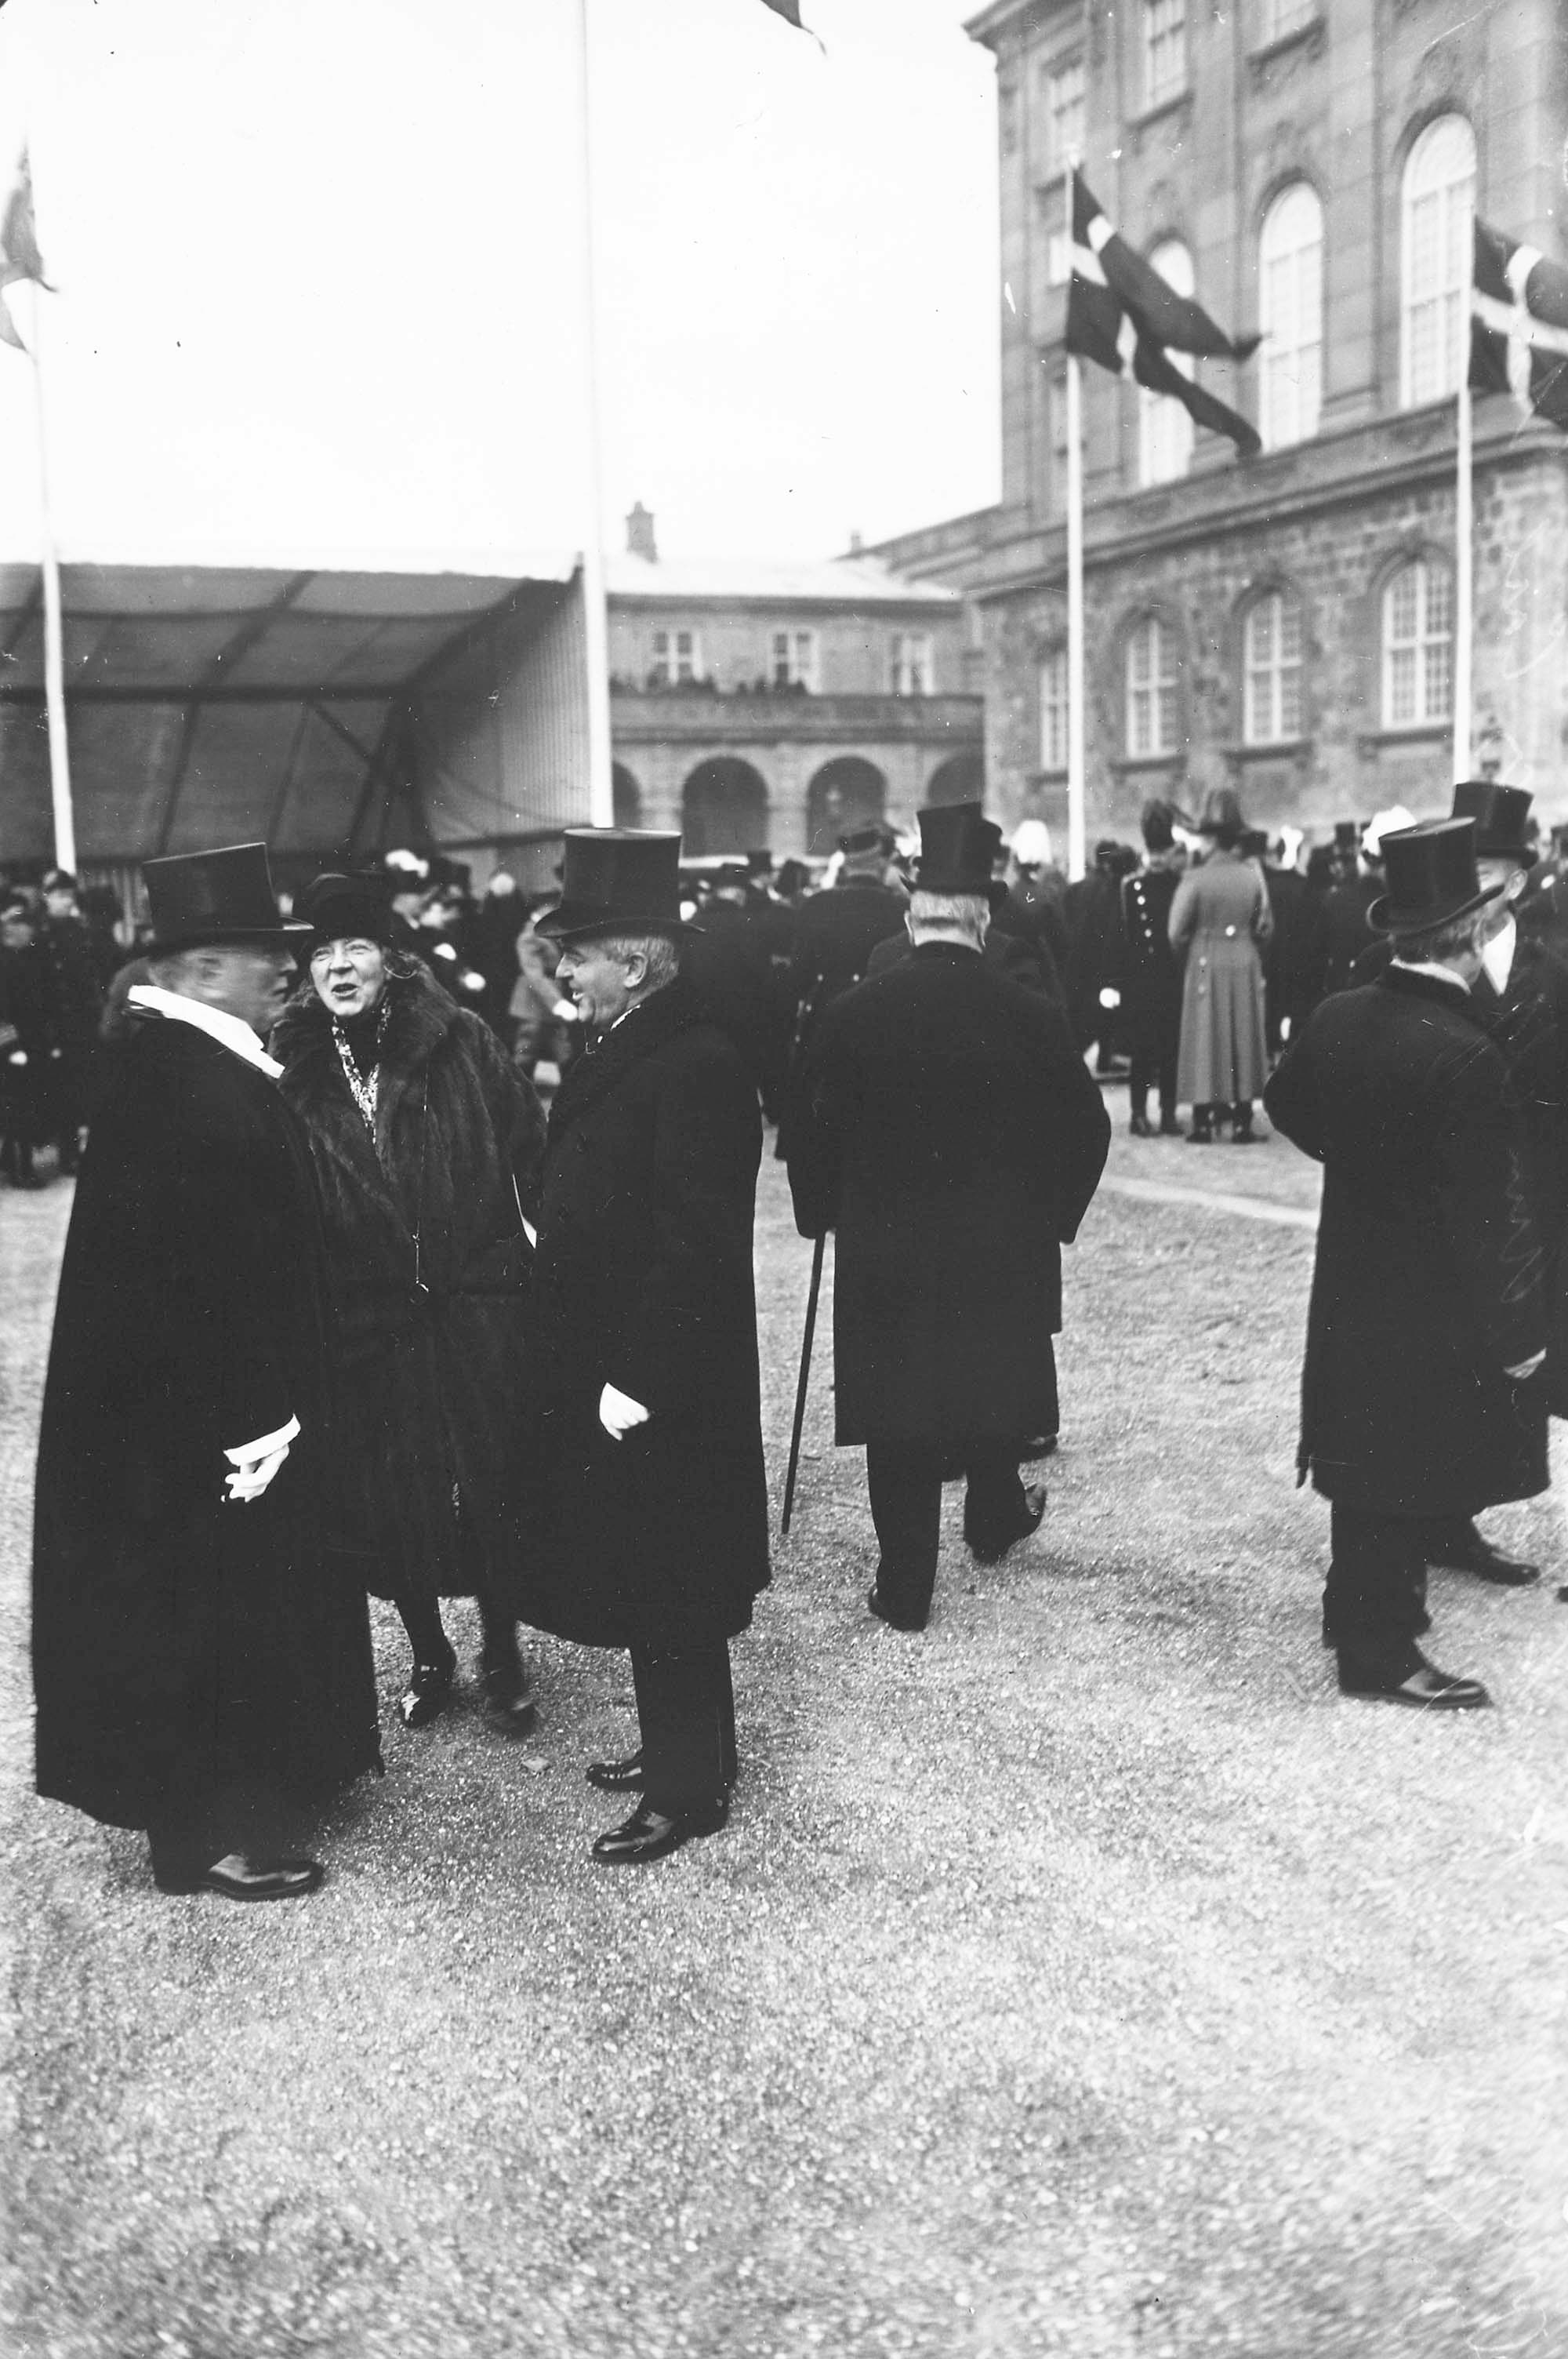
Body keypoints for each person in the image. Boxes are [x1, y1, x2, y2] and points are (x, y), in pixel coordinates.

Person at [32, 842, 379, 1899]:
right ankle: (201, 1834)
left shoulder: (193, 1058)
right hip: (197, 1416)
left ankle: (260, 1778)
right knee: (197, 1603)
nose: (282, 968)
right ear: (190, 969)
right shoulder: (180, 1077)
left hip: (195, 1407)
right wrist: (254, 1418)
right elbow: (193, 1283)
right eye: (253, 952)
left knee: (229, 1594)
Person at [786, 802, 1111, 1632]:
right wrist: (1050, 1216)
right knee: (988, 1384)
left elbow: (805, 1133)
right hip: (994, 1245)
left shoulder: (850, 1013)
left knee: (895, 1412)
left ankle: (904, 1588)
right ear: (982, 921)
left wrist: (819, 1211)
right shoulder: (1030, 1016)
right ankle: (993, 1517)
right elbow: (1087, 1127)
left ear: (910, 915)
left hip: (883, 1248)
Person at [525, 829, 770, 1864]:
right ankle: (688, 1748)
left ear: (633, 957)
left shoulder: (694, 1060)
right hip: (627, 1351)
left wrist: (640, 1377)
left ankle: (688, 1789)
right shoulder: (637, 1036)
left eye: (577, 952)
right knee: (657, 1567)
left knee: (674, 1574)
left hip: (664, 1369)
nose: (563, 969)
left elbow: (695, 1248)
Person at [1265, 819, 1548, 1709]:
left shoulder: (1339, 1013)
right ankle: (1376, 1648)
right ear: (1464, 935)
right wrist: (1518, 1332)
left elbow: (1286, 1105)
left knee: (1363, 1439)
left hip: (1351, 1267)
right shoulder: (1463, 1053)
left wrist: (1362, 1165)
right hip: (1429, 1290)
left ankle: (1355, 1613)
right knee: (1406, 1449)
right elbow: (1487, 1215)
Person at [272, 872, 546, 1733]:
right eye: (320, 953)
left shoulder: (456, 1036)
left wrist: (525, 1259)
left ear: (389, 958)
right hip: (368, 1317)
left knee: (490, 1478)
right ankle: (430, 1649)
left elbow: (528, 1145)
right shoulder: (292, 1063)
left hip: (472, 1306)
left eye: (353, 948)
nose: (338, 967)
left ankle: (503, 1646)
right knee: (391, 1494)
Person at [1169, 787, 1272, 1143]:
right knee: (1242, 1032)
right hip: (1244, 956)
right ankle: (1243, 1119)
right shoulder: (1251, 876)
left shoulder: (1195, 878)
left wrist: (1192, 952)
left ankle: (1203, 1120)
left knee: (1204, 1032)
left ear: (1212, 838)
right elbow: (1265, 926)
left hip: (1204, 954)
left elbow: (1175, 931)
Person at [1111, 800, 1186, 1136]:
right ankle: (1138, 1112)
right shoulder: (1132, 888)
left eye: (1162, 851)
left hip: (1171, 978)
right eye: (1152, 851)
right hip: (1140, 980)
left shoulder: (1180, 885)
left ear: (1170, 851)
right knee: (1142, 1051)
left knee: (1171, 1049)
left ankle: (1168, 1112)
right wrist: (1116, 982)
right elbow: (1120, 938)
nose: (1156, 858)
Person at [38, 869, 104, 1169]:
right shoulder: (40, 935)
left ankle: (86, 1151)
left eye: (70, 896)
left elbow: (92, 978)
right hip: (55, 1027)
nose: (66, 902)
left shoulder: (80, 931)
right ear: (47, 898)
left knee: (86, 1088)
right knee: (62, 1091)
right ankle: (68, 1153)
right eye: (60, 896)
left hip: (83, 1024)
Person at [0, 896, 58, 1187]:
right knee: (18, 1109)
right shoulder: (5, 963)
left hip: (30, 1046)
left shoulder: (26, 960)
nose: (28, 932)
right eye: (20, 925)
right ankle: (21, 1170)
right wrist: (12, 1049)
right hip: (12, 1051)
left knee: (22, 1108)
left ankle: (15, 1164)